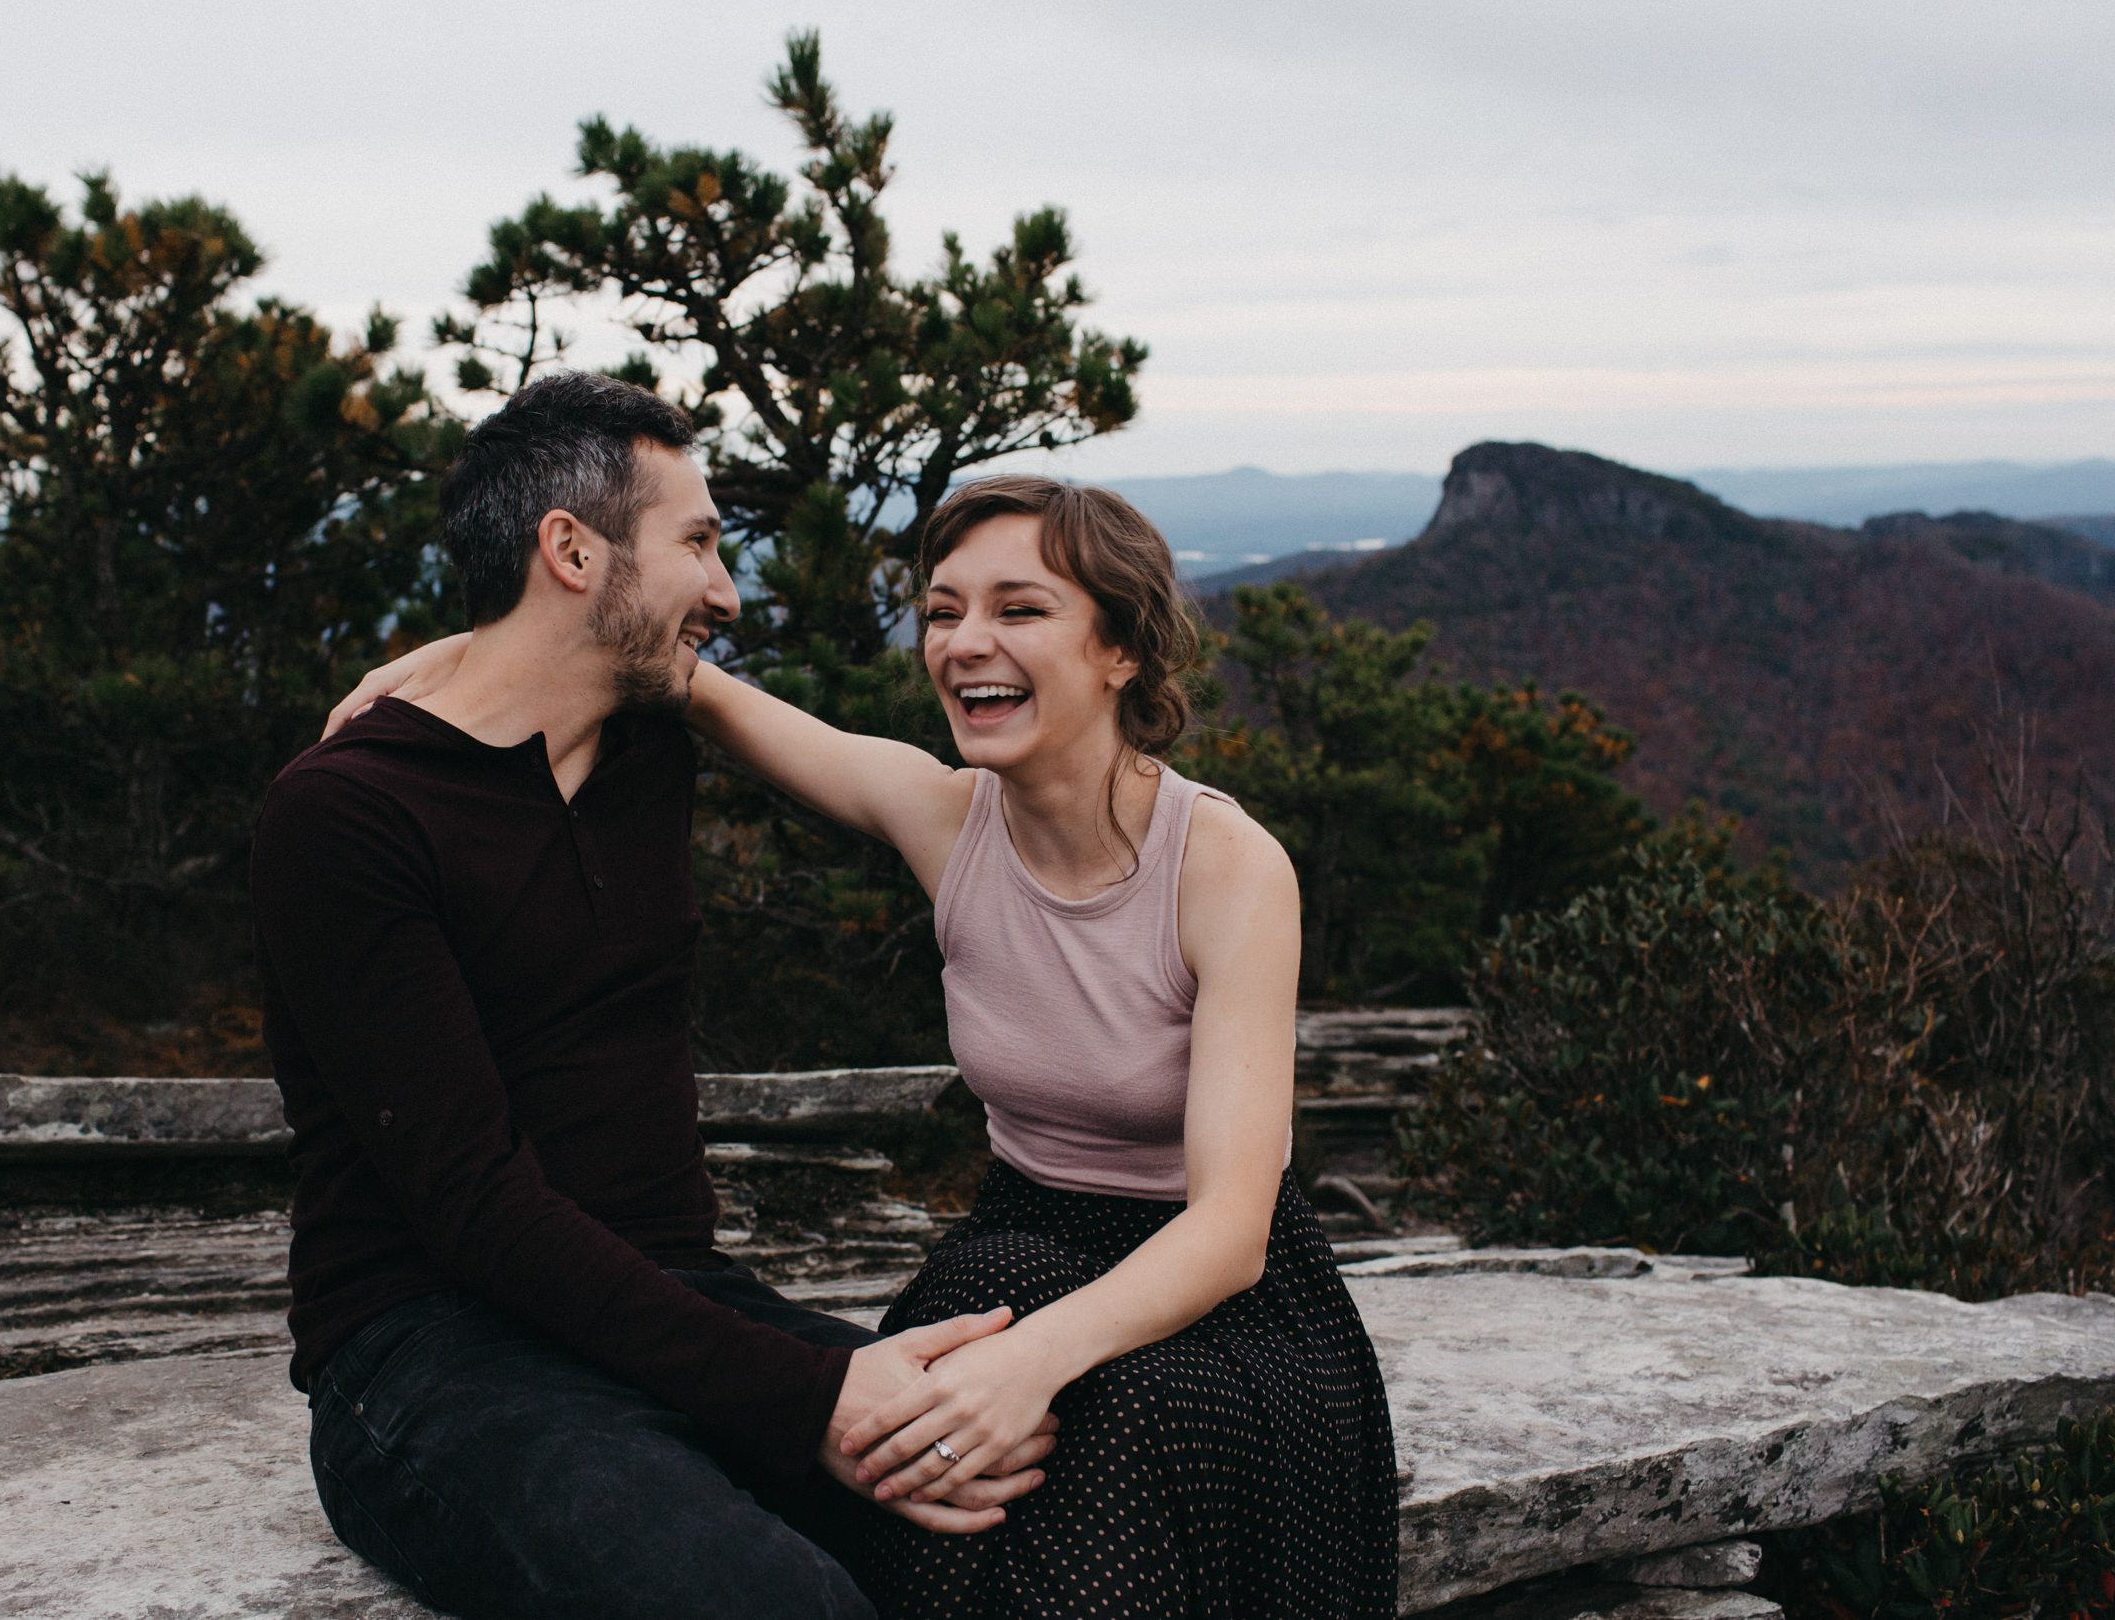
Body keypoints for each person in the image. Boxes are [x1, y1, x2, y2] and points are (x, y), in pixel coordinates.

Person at [342, 469, 1401, 1618]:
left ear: (1122, 651)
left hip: (1212, 1304)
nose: (964, 642)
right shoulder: (944, 817)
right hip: (1017, 1250)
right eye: (943, 611)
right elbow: (680, 679)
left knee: (1101, 1419)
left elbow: (1232, 1229)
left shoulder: (1223, 866)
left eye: (1020, 608)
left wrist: (1029, 1359)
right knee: (927, 1445)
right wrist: (462, 654)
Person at [251, 371, 1059, 1620]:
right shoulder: (349, 813)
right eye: (698, 543)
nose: (727, 593)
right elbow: (472, 1204)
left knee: (1042, 1499)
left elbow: (602, 675)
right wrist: (805, 1399)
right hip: (427, 1353)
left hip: (671, 1296)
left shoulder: (644, 748)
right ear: (570, 550)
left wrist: (800, 1383)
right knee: (772, 1602)